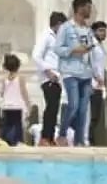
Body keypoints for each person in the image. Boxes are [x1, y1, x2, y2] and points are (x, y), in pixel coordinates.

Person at [54, 0, 96, 146]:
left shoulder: (88, 29)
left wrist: (95, 75)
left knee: (83, 110)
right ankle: (62, 134)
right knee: (74, 105)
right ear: (80, 8)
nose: (90, 10)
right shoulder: (66, 28)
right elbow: (57, 49)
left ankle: (79, 141)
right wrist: (73, 50)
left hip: (85, 73)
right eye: (88, 7)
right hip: (70, 72)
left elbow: (91, 52)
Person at [30, 12, 67, 146]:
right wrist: (47, 70)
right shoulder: (46, 36)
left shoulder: (59, 39)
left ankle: (50, 138)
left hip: (57, 78)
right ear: (57, 24)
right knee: (51, 107)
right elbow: (36, 55)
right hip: (48, 78)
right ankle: (45, 138)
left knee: (54, 108)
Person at [0, 54, 30, 146]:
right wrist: (28, 105)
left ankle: (5, 142)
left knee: (7, 126)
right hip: (18, 106)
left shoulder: (4, 79)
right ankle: (17, 142)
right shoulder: (21, 78)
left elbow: (2, 93)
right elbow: (24, 93)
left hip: (7, 106)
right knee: (18, 127)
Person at [87, 20, 107, 146]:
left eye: (104, 30)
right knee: (92, 115)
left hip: (99, 86)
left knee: (96, 116)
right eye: (100, 30)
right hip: (92, 85)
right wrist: (96, 77)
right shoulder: (92, 45)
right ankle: (89, 140)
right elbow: (88, 63)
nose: (103, 33)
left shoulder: (100, 47)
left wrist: (106, 83)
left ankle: (91, 139)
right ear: (94, 32)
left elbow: (102, 67)